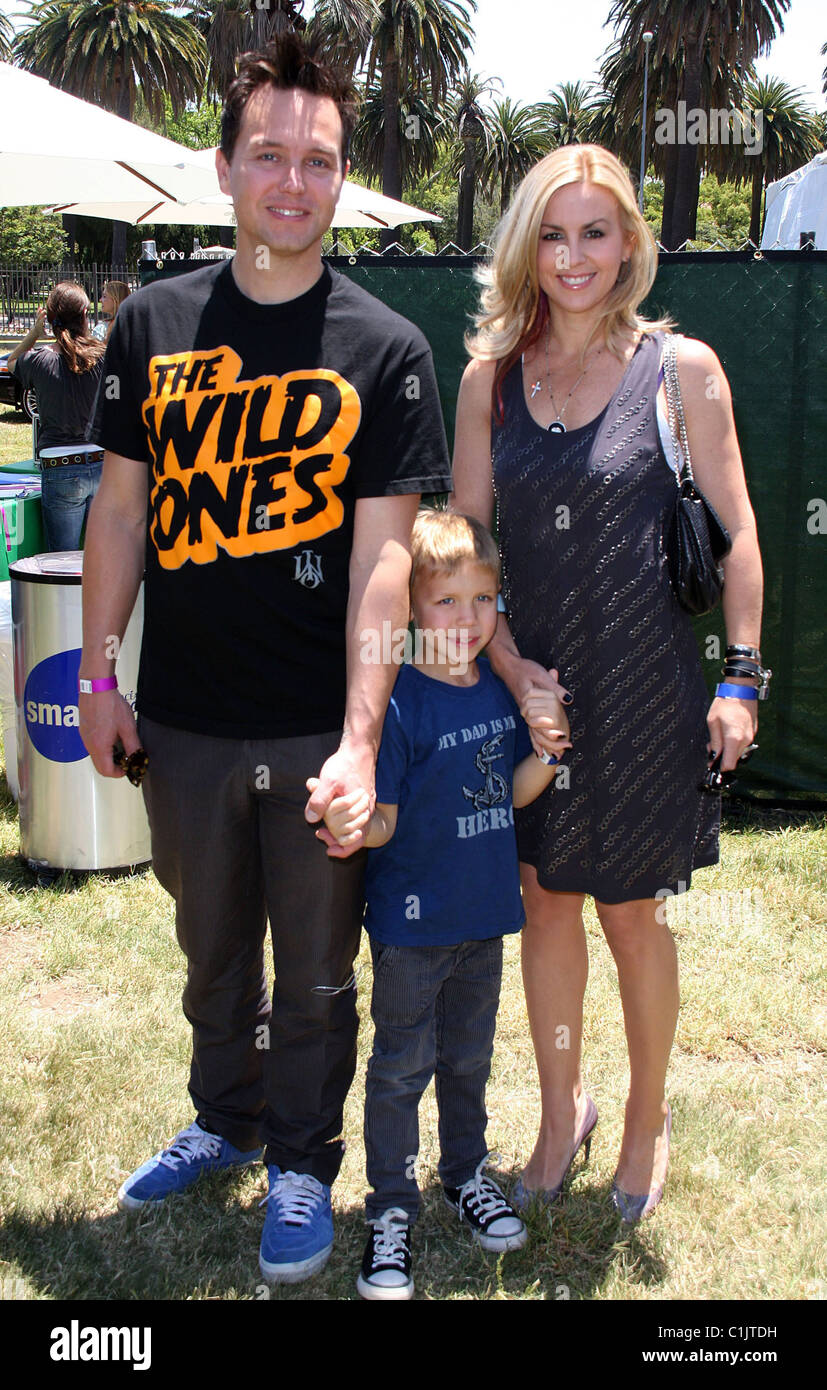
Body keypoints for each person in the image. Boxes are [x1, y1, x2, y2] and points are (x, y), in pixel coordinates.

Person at [78, 32, 451, 1286]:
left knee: (315, 967)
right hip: (180, 715)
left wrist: (357, 736)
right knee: (209, 945)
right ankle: (222, 1113)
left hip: (310, 724)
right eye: (271, 156)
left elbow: (385, 562)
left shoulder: (388, 349)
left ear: (340, 180)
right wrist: (95, 678)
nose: (294, 181)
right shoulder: (149, 321)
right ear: (226, 168)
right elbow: (118, 513)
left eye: (320, 161)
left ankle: (299, 1158)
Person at [451, 145, 764, 1223]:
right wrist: (504, 667)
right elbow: (461, 548)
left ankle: (644, 1120)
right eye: (551, 232)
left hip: (644, 692)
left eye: (594, 231)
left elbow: (734, 538)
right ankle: (557, 1112)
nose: (572, 256)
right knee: (542, 902)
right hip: (531, 701)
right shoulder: (487, 379)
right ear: (523, 246)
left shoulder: (683, 370)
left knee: (631, 913)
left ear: (629, 241)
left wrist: (740, 680)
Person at [315, 509, 570, 1299]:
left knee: (468, 1062)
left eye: (482, 600)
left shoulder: (495, 690)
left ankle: (463, 1175)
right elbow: (383, 819)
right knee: (400, 1070)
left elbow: (512, 793)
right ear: (412, 609)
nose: (467, 620)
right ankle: (390, 1209)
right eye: (445, 602)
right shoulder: (398, 704)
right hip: (410, 934)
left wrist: (548, 757)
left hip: (484, 920)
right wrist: (351, 821)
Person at [7, 282, 105, 550]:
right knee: (104, 554)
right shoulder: (101, 357)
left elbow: (11, 362)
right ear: (85, 314)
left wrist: (33, 334)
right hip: (100, 462)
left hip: (60, 465)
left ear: (49, 319)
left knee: (61, 560)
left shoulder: (39, 360)